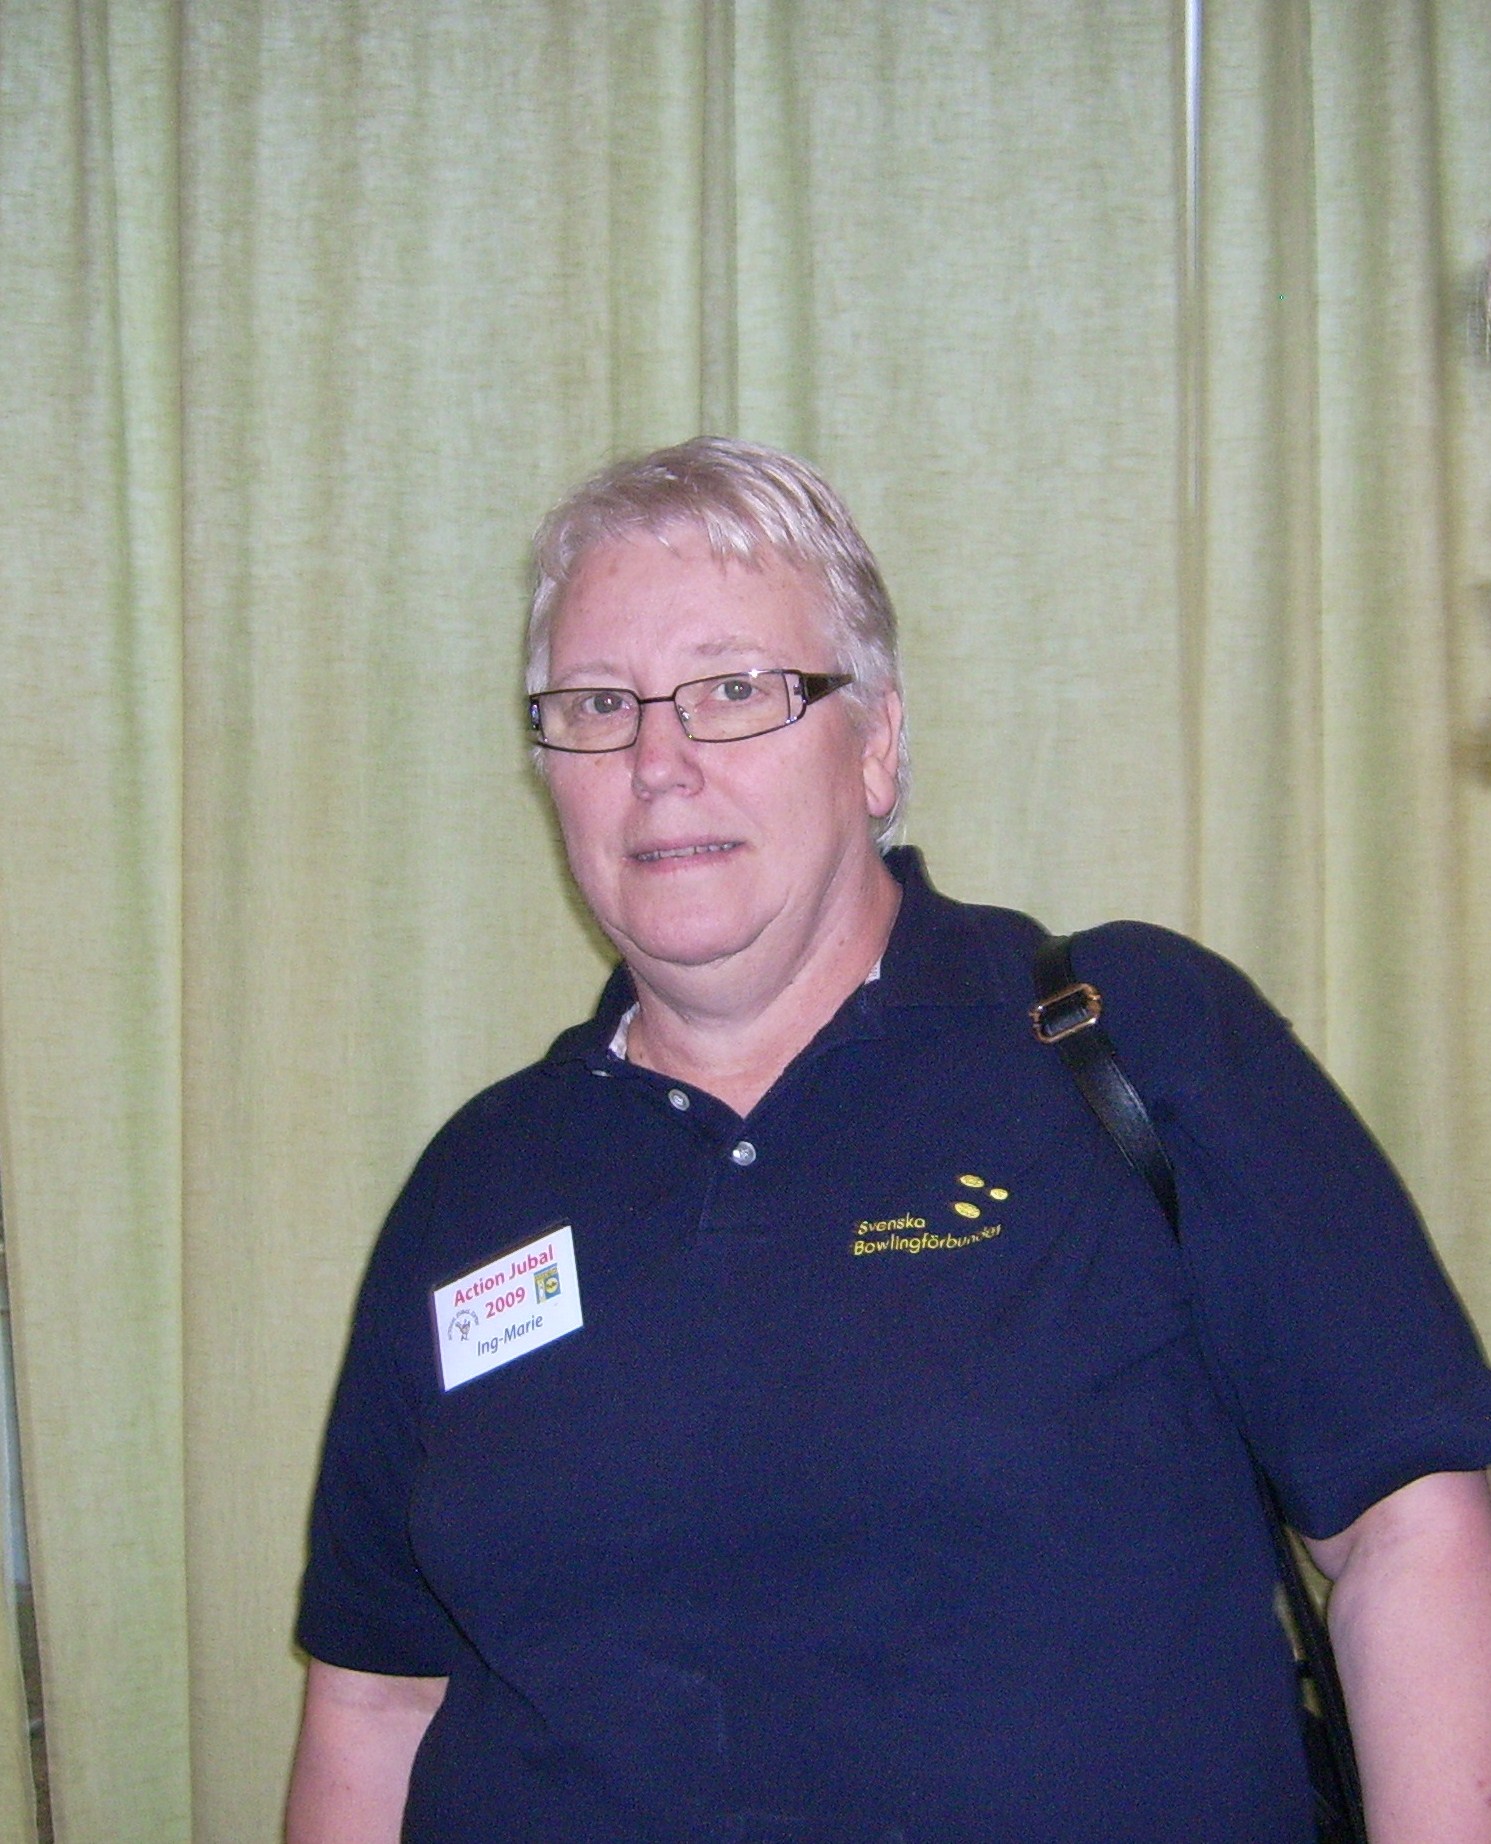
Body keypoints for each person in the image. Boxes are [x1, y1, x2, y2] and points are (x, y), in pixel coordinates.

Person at [286, 437, 1491, 1844]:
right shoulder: (479, 1183)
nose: (659, 763)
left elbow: (1415, 1528)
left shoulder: (1127, 1040)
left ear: (877, 745)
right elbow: (375, 1701)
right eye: (599, 706)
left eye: (735, 689)